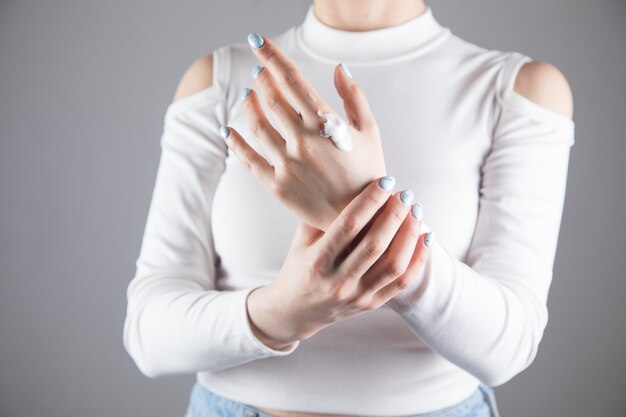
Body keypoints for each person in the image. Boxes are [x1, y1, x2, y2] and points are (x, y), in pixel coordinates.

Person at [122, 0, 575, 416]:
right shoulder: (219, 78)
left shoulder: (514, 89)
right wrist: (283, 313)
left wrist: (355, 202)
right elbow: (148, 335)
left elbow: (507, 349)